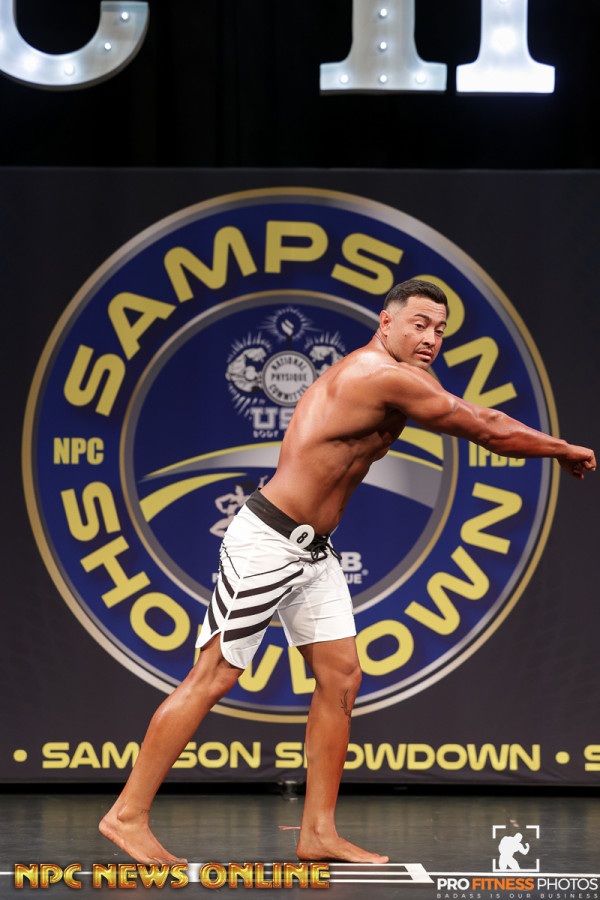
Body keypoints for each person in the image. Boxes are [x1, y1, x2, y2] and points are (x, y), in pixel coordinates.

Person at [99, 279, 595, 866]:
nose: (431, 338)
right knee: (214, 676)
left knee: (341, 678)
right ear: (386, 322)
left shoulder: (407, 377)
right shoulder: (375, 374)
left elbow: (465, 414)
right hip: (267, 542)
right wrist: (561, 448)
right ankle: (127, 815)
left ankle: (318, 832)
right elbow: (482, 424)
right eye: (419, 324)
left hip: (315, 552)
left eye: (439, 330)